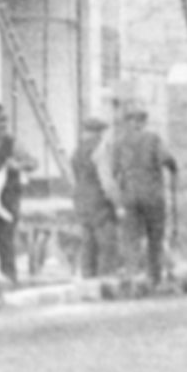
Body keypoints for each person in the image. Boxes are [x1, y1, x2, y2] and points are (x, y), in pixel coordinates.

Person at [110, 104, 178, 287]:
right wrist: (173, 166)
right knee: (155, 235)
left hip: (129, 196)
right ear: (143, 122)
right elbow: (167, 159)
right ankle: (153, 277)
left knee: (131, 236)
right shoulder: (153, 139)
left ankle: (132, 276)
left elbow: (114, 171)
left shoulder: (119, 143)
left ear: (128, 123)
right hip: (152, 195)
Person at [0, 104, 35, 283]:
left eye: (1, 123)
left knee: (7, 235)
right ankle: (5, 273)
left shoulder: (13, 143)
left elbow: (32, 163)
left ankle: (11, 275)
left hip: (10, 195)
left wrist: (17, 165)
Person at [70, 115, 119, 278]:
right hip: (98, 200)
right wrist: (117, 203)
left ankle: (88, 280)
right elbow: (106, 179)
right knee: (106, 243)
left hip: (80, 199)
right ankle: (106, 280)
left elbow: (76, 176)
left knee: (87, 242)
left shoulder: (77, 151)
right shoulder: (100, 148)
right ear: (98, 132)